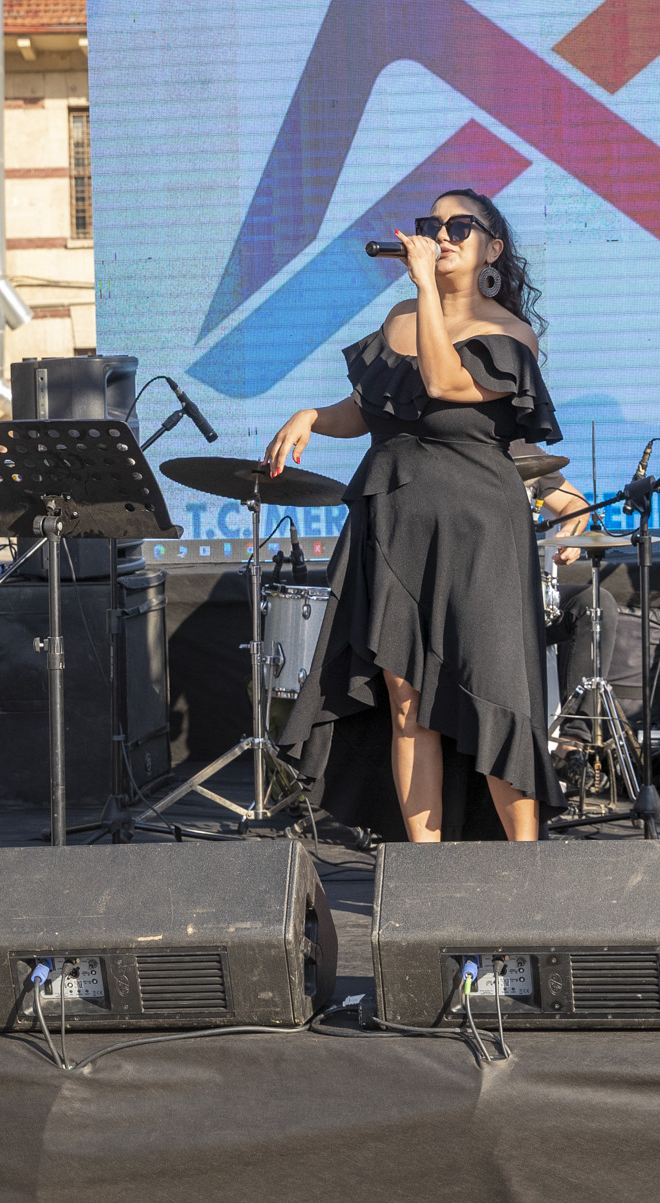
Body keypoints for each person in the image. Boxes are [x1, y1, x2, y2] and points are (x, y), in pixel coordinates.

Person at [269, 190, 566, 842]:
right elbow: (373, 407)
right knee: (406, 704)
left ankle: (528, 867)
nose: (443, 235)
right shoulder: (401, 317)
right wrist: (313, 416)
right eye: (434, 225)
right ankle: (422, 872)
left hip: (477, 527)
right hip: (395, 519)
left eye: (461, 226)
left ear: (493, 248)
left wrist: (428, 288)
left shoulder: (509, 332)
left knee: (494, 693)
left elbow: (443, 382)